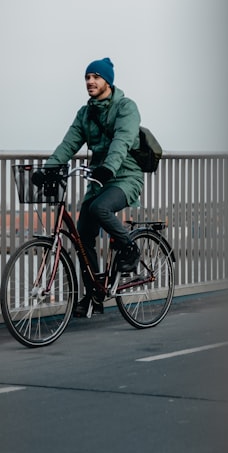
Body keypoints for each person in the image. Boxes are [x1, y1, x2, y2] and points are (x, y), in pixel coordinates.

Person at [39, 57, 144, 317]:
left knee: (99, 209)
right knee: (83, 235)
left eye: (96, 77)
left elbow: (122, 140)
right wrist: (48, 169)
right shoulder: (85, 114)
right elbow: (68, 144)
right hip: (99, 179)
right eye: (87, 77)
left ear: (107, 81)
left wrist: (109, 166)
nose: (90, 81)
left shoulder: (126, 107)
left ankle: (130, 247)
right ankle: (93, 294)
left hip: (125, 177)